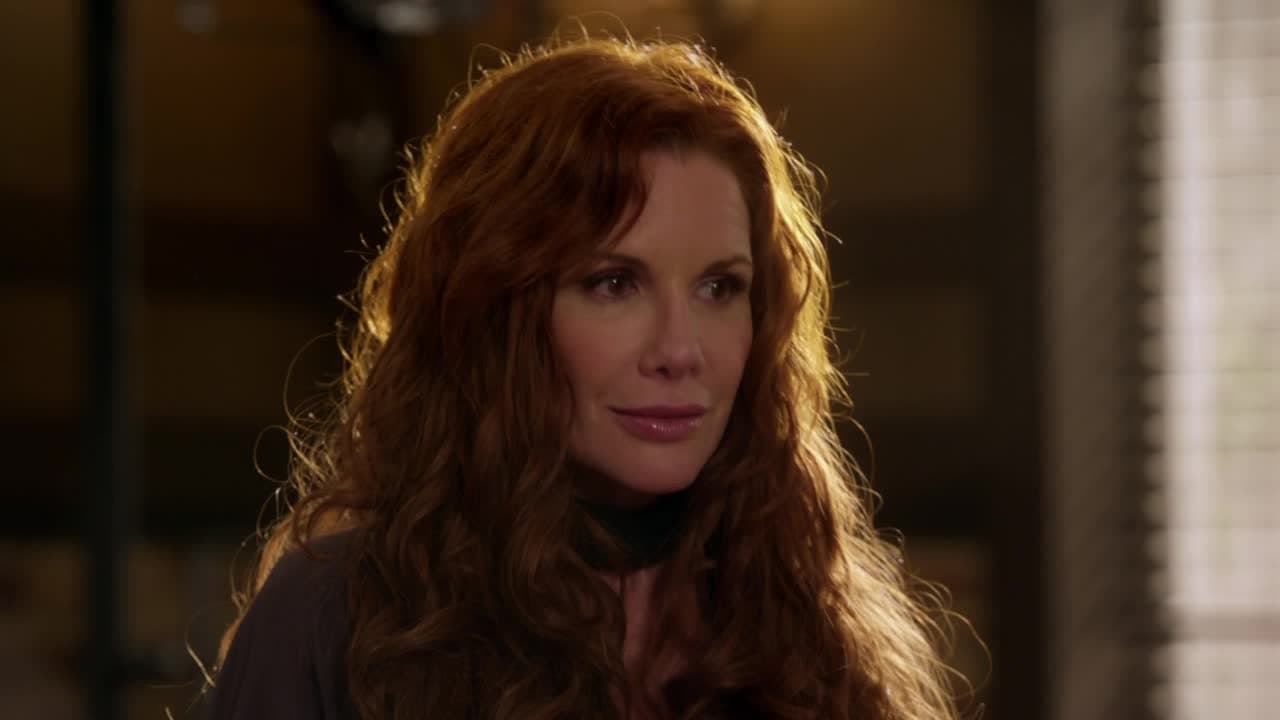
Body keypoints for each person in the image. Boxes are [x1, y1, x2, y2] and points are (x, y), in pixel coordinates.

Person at [208, 33, 962, 720]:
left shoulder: (807, 634)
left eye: (719, 287)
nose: (680, 351)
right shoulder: (338, 618)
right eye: (614, 283)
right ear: (497, 313)